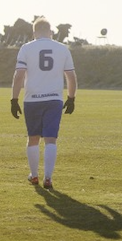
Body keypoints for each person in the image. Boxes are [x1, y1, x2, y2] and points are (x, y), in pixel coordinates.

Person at [11, 17, 77, 190]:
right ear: (51, 32)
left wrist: (14, 99)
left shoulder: (26, 48)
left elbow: (19, 75)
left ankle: (34, 176)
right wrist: (71, 98)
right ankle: (48, 178)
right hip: (54, 99)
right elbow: (71, 76)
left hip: (32, 99)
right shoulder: (62, 48)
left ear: (34, 33)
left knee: (33, 138)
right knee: (51, 139)